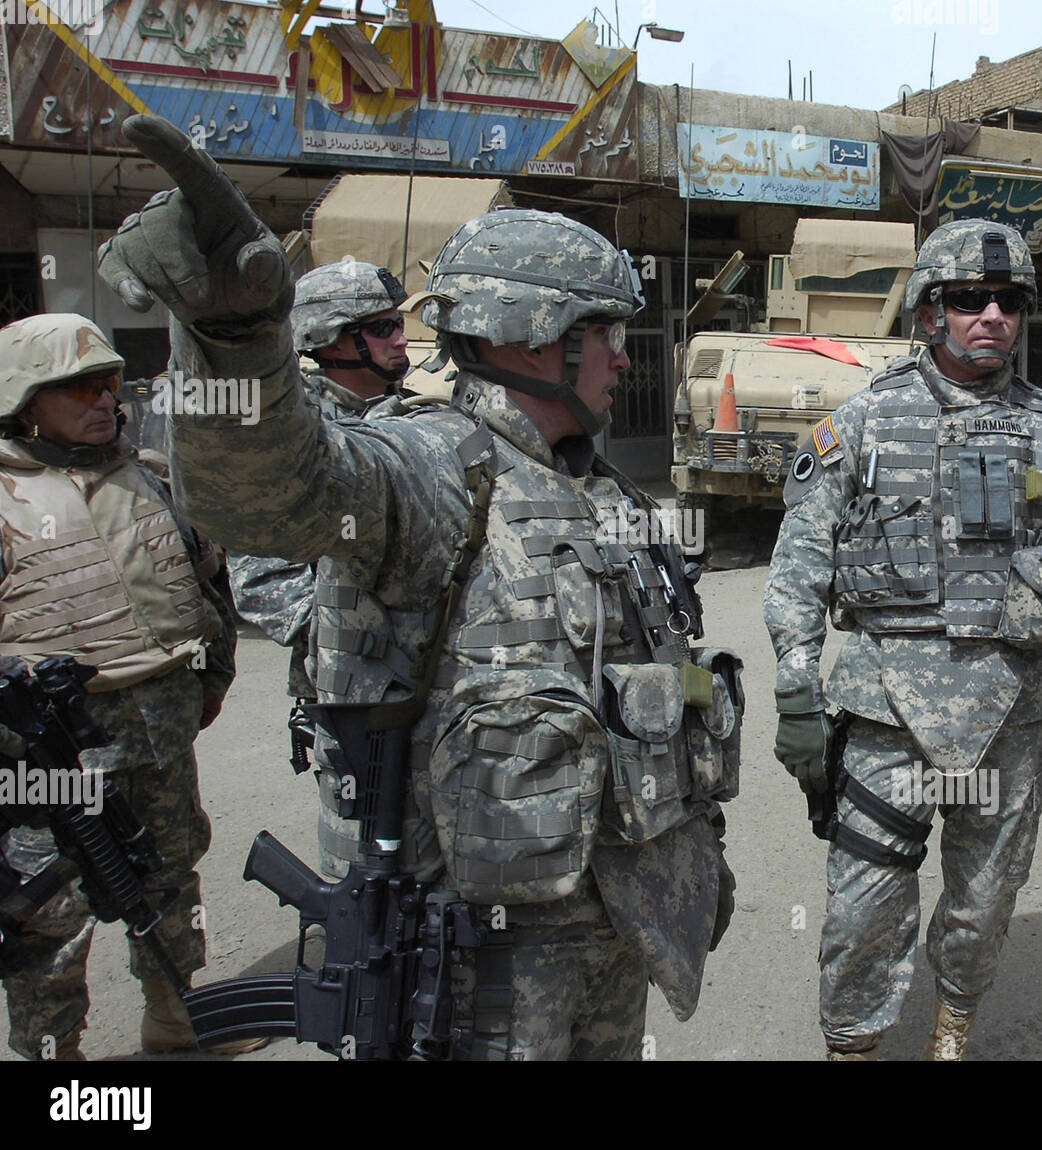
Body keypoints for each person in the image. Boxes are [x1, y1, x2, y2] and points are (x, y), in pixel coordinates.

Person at [96, 115, 740, 1061]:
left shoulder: (600, 489)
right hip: (484, 946)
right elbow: (274, 496)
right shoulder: (432, 468)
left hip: (613, 919)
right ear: (534, 335)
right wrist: (236, 334)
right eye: (606, 333)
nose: (625, 358)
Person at [763, 221, 1042, 1061]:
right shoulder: (863, 424)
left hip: (1008, 720)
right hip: (883, 715)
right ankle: (853, 1044)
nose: (993, 317)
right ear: (930, 311)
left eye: (1009, 302)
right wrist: (795, 687)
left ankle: (953, 1024)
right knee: (863, 905)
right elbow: (798, 568)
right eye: (969, 299)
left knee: (983, 900)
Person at [0, 313, 263, 1059]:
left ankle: (177, 1025)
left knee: (173, 876)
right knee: (54, 905)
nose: (102, 399)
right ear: (24, 400)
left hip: (162, 727)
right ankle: (56, 1056)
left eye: (109, 383)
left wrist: (212, 678)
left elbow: (208, 588)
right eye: (78, 387)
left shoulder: (148, 474)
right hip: (51, 751)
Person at [226, 260, 411, 878]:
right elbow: (259, 576)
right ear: (332, 338)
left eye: (398, 324)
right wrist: (346, 633)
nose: (401, 339)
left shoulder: (407, 422)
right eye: (382, 327)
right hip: (348, 695)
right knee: (364, 869)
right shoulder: (287, 437)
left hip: (422, 683)